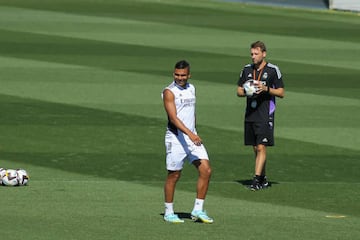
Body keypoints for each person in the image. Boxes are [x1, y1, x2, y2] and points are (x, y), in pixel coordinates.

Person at [161, 60, 213, 223]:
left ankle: (198, 209)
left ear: (189, 75)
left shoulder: (192, 88)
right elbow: (174, 118)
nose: (180, 78)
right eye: (177, 74)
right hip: (176, 138)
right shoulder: (169, 92)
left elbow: (192, 112)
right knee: (174, 175)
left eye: (183, 75)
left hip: (192, 137)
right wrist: (190, 134)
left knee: (206, 170)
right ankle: (169, 212)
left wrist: (193, 130)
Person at [237, 41, 285, 191]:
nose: (253, 57)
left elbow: (281, 92)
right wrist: (247, 91)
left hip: (265, 113)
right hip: (250, 114)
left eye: (256, 54)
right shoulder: (246, 70)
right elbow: (238, 91)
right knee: (255, 148)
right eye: (251, 54)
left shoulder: (272, 70)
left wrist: (266, 89)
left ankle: (256, 180)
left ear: (264, 54)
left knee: (261, 147)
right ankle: (263, 177)